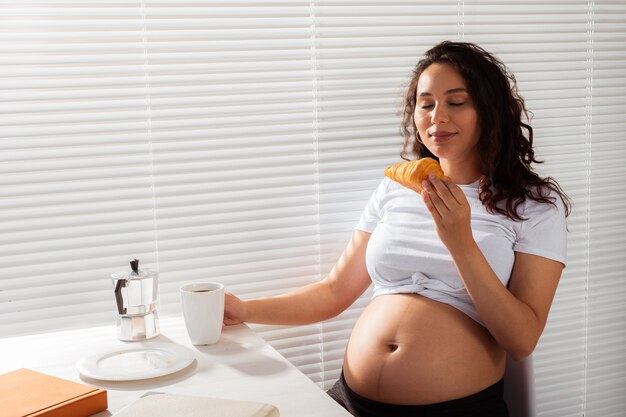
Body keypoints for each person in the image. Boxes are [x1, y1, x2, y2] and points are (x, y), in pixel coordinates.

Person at [223, 41, 570, 417]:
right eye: (426, 104)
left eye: (456, 102)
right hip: (348, 402)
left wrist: (460, 242)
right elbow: (334, 291)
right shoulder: (397, 187)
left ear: (490, 111)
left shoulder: (533, 205)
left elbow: (521, 340)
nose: (437, 117)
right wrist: (243, 309)